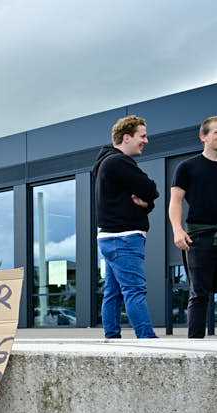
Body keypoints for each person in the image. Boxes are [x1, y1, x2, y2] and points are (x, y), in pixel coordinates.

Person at [91, 115, 159, 339]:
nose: (146, 141)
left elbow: (143, 198)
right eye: (143, 136)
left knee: (113, 292)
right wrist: (147, 202)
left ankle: (111, 337)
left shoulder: (104, 163)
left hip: (110, 237)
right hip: (125, 237)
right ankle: (147, 339)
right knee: (134, 290)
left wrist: (145, 204)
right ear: (127, 137)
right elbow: (151, 189)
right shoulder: (119, 162)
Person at [168, 115, 217, 339]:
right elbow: (175, 201)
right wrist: (178, 229)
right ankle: (194, 345)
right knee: (199, 294)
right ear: (203, 137)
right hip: (199, 235)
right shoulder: (187, 167)